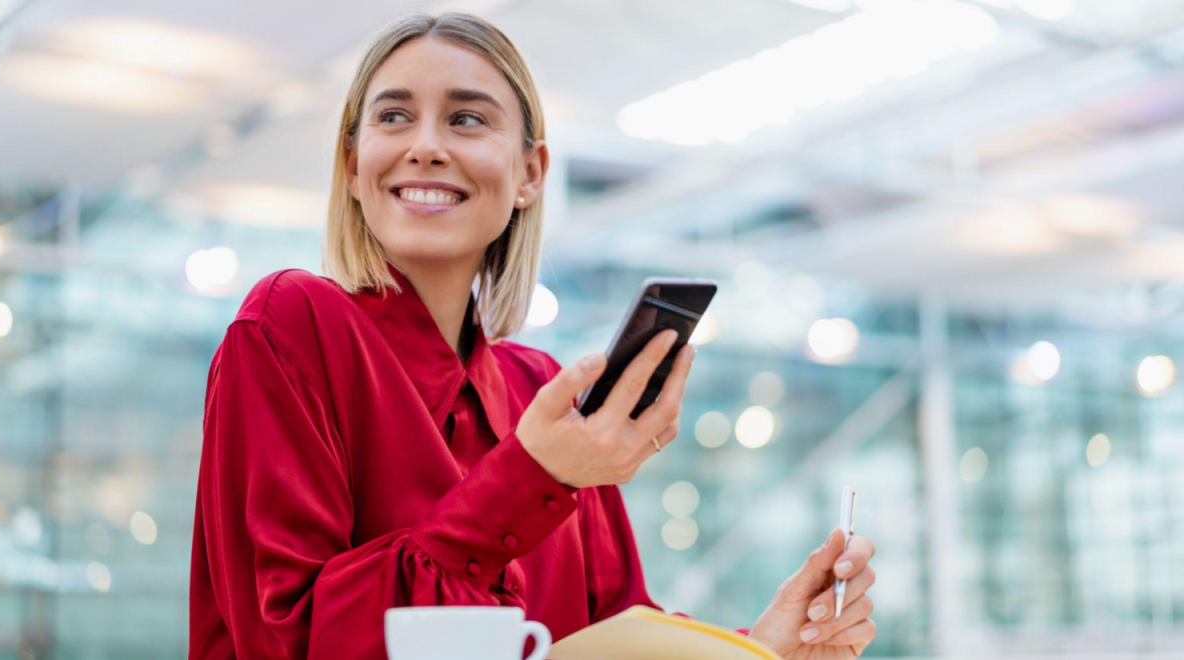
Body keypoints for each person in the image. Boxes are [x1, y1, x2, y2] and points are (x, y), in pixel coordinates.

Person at [188, 10, 877, 660]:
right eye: (394, 116)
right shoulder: (290, 324)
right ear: (352, 166)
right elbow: (286, 639)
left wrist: (759, 645)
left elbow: (608, 636)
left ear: (530, 173)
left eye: (465, 119)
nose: (424, 146)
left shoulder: (540, 392)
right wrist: (531, 479)